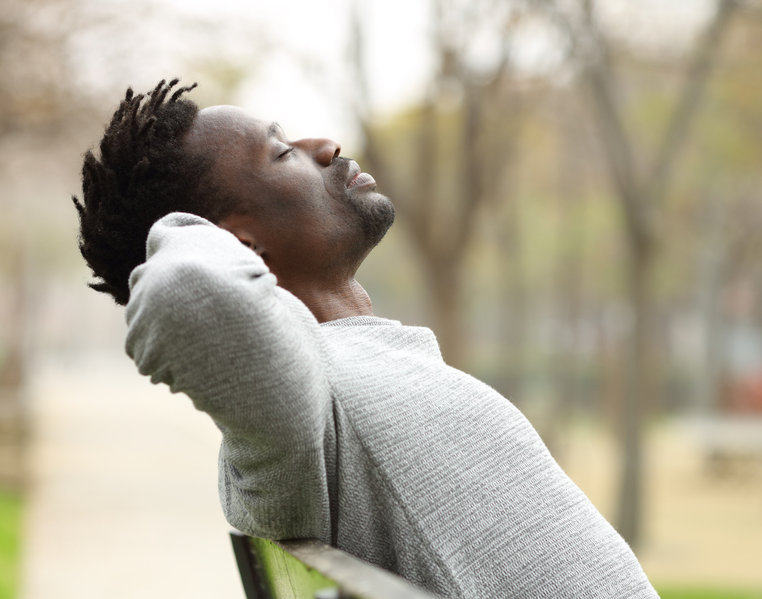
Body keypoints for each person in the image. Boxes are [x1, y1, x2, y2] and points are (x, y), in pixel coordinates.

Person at [73, 79, 658, 598]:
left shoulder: (341, 373)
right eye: (281, 153)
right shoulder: (298, 409)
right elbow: (187, 294)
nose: (325, 145)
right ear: (238, 246)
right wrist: (185, 233)